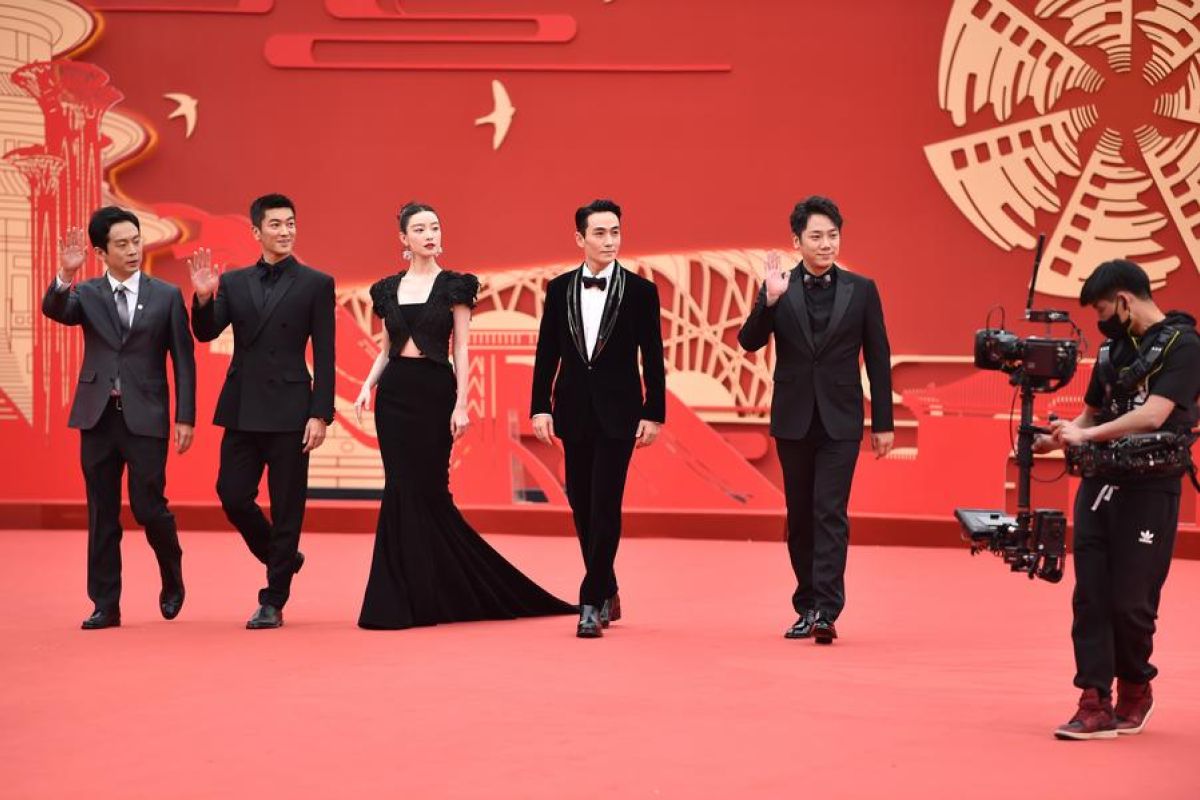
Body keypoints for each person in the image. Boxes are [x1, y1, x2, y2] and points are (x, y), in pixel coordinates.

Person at [353, 202, 574, 629]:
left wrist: (461, 403)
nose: (430, 235)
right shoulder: (387, 289)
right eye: (420, 229)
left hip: (436, 393)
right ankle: (400, 597)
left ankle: (441, 591)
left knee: (431, 490)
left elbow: (462, 349)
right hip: (394, 396)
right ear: (404, 239)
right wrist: (367, 386)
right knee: (399, 487)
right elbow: (385, 350)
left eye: (435, 227)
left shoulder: (456, 286)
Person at [1035, 259, 1200, 740]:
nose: (1100, 321)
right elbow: (1091, 415)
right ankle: (1093, 701)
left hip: (1151, 488)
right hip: (1098, 484)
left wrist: (1088, 436)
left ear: (1124, 301)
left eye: (1103, 310)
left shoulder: (1185, 346)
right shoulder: (1111, 351)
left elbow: (1153, 415)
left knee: (1131, 601)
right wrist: (1059, 437)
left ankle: (1135, 688)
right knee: (1090, 596)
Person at [737, 195, 893, 644]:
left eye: (833, 236)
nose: (826, 244)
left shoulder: (862, 290)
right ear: (797, 241)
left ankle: (826, 608)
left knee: (830, 512)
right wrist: (768, 301)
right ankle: (806, 604)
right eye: (817, 237)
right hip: (794, 419)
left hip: (841, 420)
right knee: (801, 516)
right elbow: (748, 341)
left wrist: (883, 423)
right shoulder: (778, 286)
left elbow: (878, 358)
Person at [42, 207, 196, 629]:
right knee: (102, 513)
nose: (132, 250)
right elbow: (55, 309)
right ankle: (105, 604)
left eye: (136, 241)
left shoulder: (166, 295)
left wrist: (185, 416)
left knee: (149, 508)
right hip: (98, 417)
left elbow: (184, 361)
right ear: (100, 252)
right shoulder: (87, 294)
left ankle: (172, 572)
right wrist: (65, 274)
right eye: (122, 244)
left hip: (147, 417)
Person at [189, 193, 335, 629]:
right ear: (256, 231)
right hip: (243, 407)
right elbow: (206, 332)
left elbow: (325, 354)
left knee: (288, 506)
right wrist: (202, 297)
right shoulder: (234, 282)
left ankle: (273, 599)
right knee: (232, 495)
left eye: (291, 223)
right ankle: (281, 555)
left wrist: (320, 413)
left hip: (292, 410)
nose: (285, 231)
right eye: (275, 224)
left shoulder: (316, 283)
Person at [530, 198, 666, 638]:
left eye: (615, 232)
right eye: (600, 233)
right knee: (581, 502)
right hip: (573, 409)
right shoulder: (559, 289)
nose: (610, 241)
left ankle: (590, 599)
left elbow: (653, 356)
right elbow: (546, 352)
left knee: (605, 502)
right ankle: (608, 587)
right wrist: (540, 405)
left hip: (620, 412)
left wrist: (654, 412)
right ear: (580, 238)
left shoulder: (641, 291)